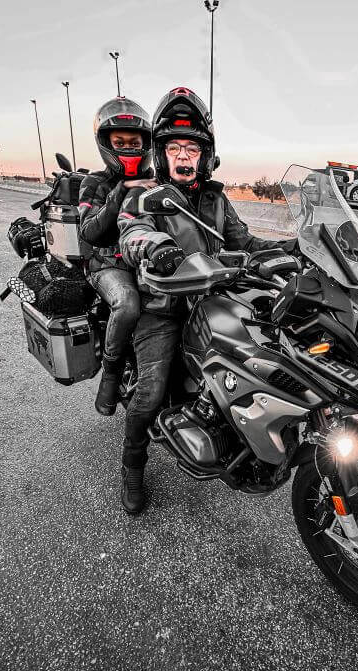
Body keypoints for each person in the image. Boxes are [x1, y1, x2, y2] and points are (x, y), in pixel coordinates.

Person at [115, 87, 296, 514]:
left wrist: (292, 247)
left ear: (204, 154)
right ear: (161, 154)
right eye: (174, 147)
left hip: (216, 300)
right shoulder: (144, 194)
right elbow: (133, 230)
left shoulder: (215, 199)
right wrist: (157, 247)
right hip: (164, 308)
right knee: (151, 388)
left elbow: (245, 242)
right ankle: (132, 466)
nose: (183, 155)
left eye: (191, 147)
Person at [76, 97, 155, 416]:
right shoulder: (94, 182)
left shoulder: (158, 178)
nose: (128, 147)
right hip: (107, 263)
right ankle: (110, 376)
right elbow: (90, 232)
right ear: (106, 144)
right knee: (127, 303)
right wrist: (121, 189)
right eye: (119, 142)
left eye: (134, 142)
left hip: (145, 261)